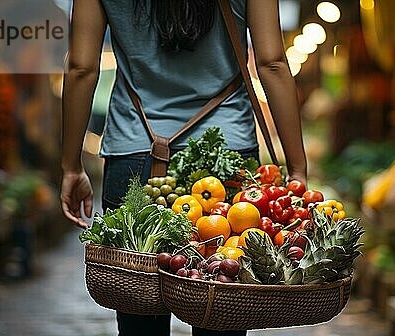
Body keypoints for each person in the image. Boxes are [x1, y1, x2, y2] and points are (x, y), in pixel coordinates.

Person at [60, 0, 307, 335]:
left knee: (139, 318)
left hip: (136, 150)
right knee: (222, 309)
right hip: (225, 156)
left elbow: (81, 67)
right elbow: (272, 62)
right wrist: (297, 169)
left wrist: (71, 166)